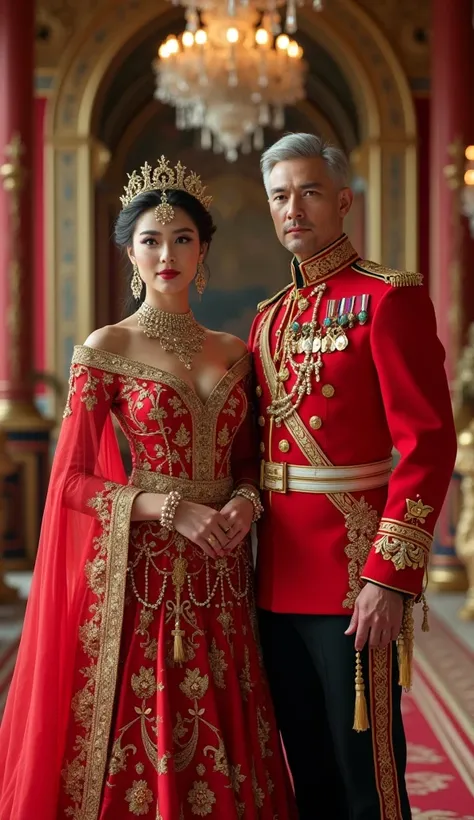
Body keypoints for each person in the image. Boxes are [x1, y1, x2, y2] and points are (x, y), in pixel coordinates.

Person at [0, 156, 297, 820]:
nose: (168, 253)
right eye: (151, 240)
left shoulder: (236, 352)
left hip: (224, 569)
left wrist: (246, 507)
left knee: (227, 716)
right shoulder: (106, 346)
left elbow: (249, 463)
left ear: (204, 250)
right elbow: (70, 481)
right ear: (130, 252)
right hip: (147, 573)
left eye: (183, 238)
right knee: (152, 715)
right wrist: (165, 508)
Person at [248, 133, 457, 820]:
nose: (293, 209)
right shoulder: (269, 319)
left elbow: (427, 445)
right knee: (305, 766)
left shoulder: (386, 300)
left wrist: (388, 577)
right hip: (275, 577)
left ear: (342, 201)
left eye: (309, 192)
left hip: (352, 578)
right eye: (281, 196)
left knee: (367, 772)